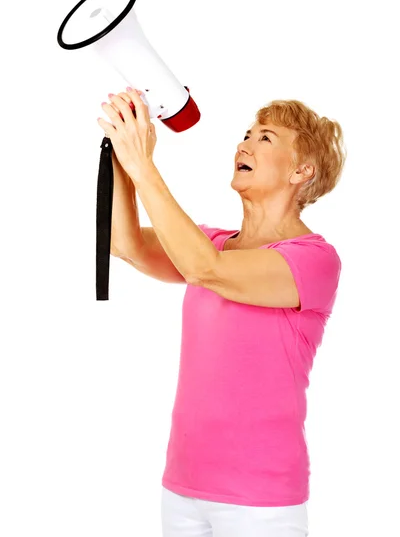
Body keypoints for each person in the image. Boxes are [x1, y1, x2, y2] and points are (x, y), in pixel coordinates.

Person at [104, 95, 347, 537]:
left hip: (261, 503)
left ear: (301, 172)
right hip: (183, 488)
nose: (245, 145)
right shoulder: (210, 241)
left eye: (266, 138)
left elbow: (205, 271)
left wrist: (144, 165)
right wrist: (124, 154)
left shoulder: (313, 260)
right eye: (246, 135)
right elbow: (125, 244)